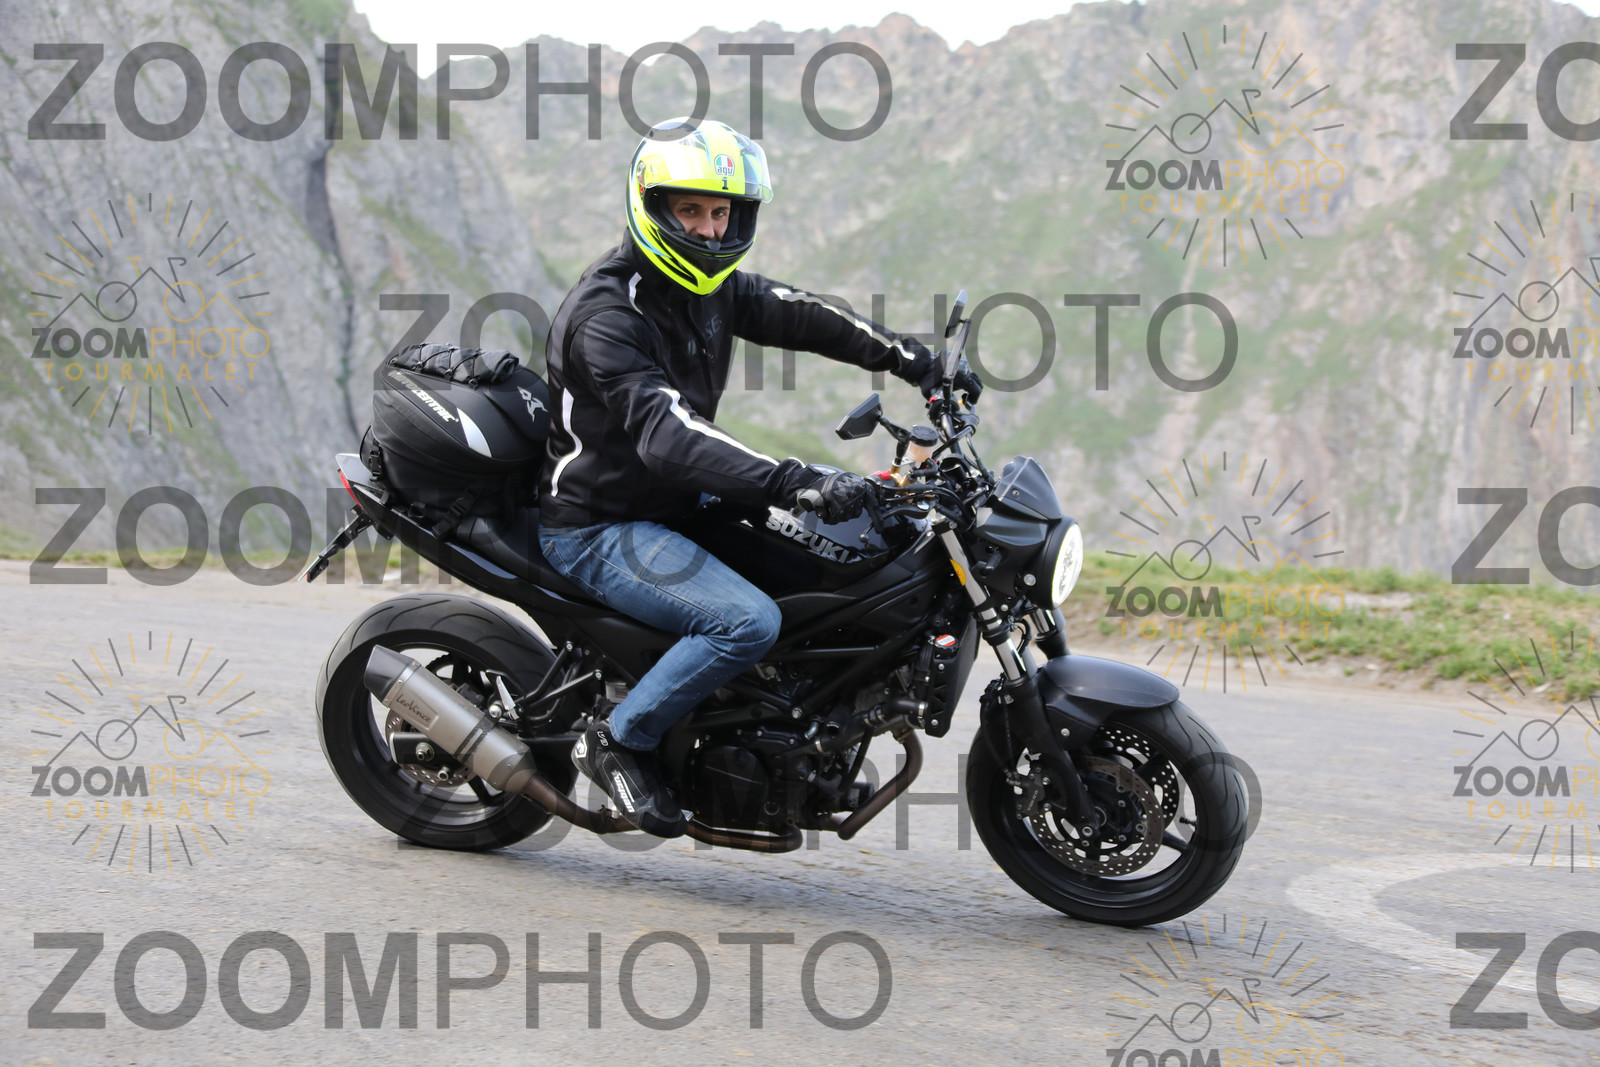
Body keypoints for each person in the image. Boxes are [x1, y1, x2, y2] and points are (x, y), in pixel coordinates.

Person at [537, 117, 981, 837]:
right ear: (651, 206)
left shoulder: (712, 288)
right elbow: (666, 434)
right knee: (746, 622)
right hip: (601, 526)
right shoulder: (609, 315)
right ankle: (620, 738)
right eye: (691, 210)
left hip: (681, 505)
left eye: (721, 213)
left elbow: (807, 316)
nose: (710, 230)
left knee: (844, 556)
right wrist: (790, 479)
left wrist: (917, 362)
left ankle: (789, 730)